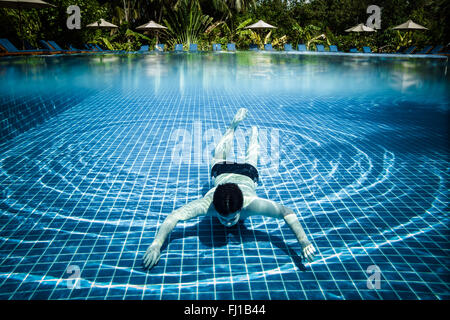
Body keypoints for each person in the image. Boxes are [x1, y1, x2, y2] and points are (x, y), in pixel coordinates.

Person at [143, 108, 316, 269]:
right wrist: (156, 245)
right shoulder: (207, 204)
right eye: (223, 218)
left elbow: (287, 212)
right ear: (214, 208)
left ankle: (253, 133)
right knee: (222, 152)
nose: (226, 223)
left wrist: (304, 242)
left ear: (241, 208)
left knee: (252, 155)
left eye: (232, 218)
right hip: (223, 173)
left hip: (245, 175)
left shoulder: (252, 204)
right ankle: (232, 126)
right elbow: (174, 217)